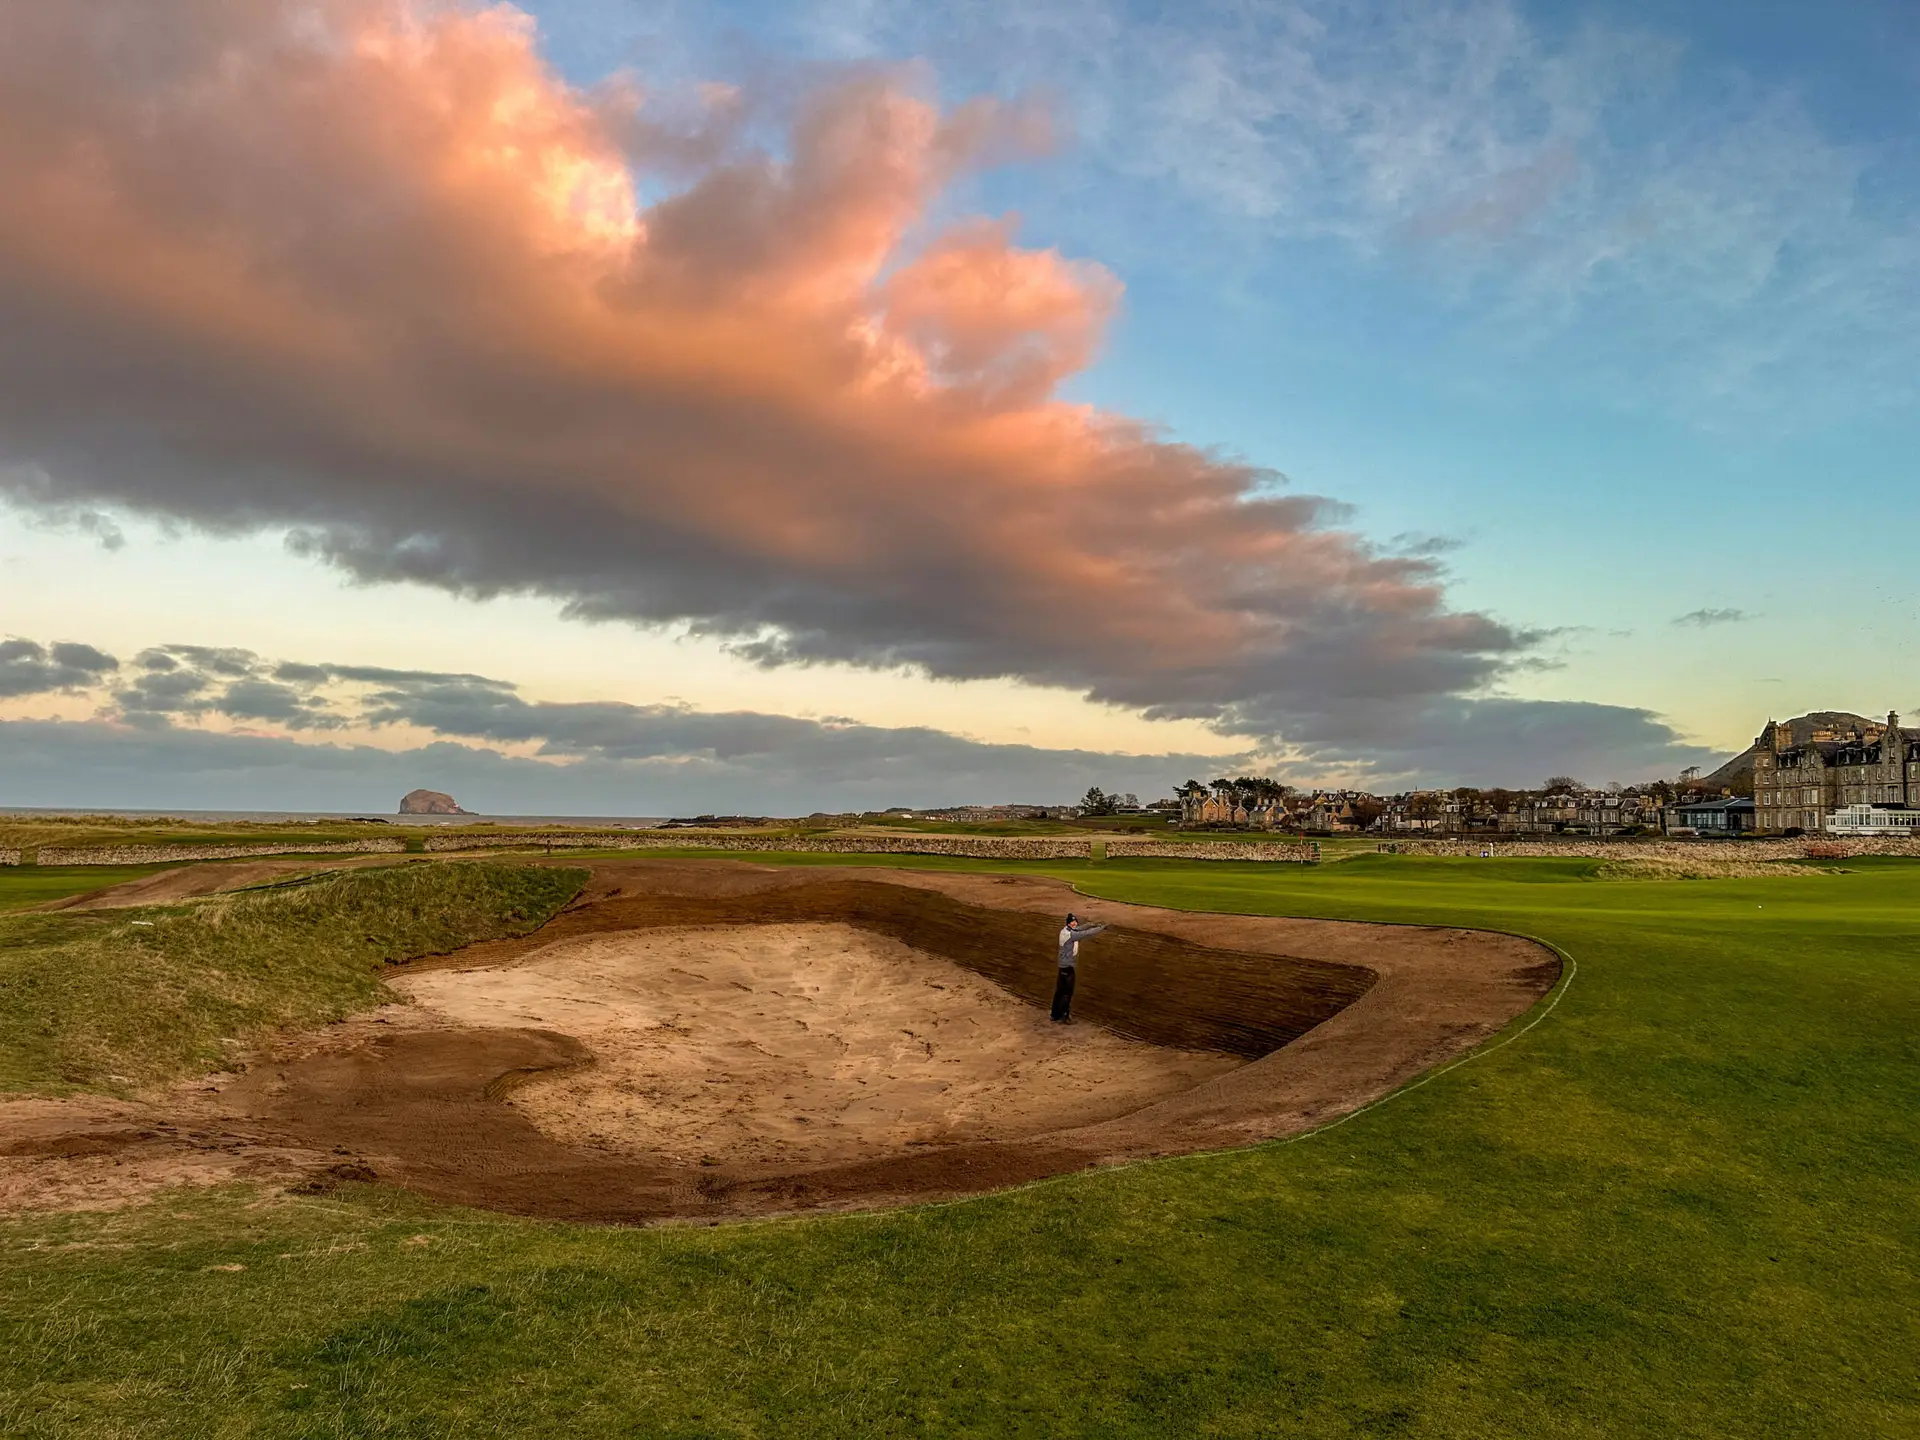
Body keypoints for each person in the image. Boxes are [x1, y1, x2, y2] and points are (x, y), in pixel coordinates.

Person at [1051, 912, 1107, 1023]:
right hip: (1068, 968)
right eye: (1072, 922)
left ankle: (1054, 1014)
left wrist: (1091, 924)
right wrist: (1100, 928)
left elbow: (1079, 928)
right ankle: (1064, 1016)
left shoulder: (1065, 931)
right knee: (1067, 992)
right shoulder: (1072, 935)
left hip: (1062, 967)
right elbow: (1085, 933)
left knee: (1060, 991)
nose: (1074, 923)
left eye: (1075, 921)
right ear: (1068, 923)